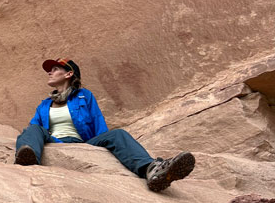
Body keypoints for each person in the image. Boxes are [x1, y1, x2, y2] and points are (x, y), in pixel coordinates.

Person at [14, 58, 194, 192]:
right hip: (54, 142)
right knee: (32, 129)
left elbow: (98, 122)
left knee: (118, 134)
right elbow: (33, 130)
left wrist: (102, 149)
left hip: (83, 143)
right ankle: (29, 159)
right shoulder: (44, 105)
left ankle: (153, 171)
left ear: (68, 74)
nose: (50, 72)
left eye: (55, 69)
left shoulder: (84, 96)